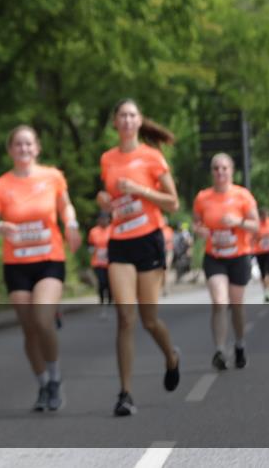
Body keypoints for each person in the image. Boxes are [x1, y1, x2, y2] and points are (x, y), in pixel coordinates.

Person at [0, 125, 82, 412]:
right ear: (10, 150)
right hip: (17, 266)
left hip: (49, 258)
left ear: (37, 148)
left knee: (42, 321)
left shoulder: (52, 177)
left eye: (29, 144)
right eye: (18, 145)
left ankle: (56, 378)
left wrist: (71, 224)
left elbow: (66, 207)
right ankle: (43, 383)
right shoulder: (0, 186)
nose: (24, 149)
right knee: (29, 331)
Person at [96, 99, 181, 417]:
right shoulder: (107, 158)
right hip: (120, 241)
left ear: (140, 120)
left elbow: (172, 203)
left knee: (148, 319)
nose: (128, 120)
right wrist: (103, 200)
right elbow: (108, 198)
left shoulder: (152, 156)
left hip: (149, 240)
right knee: (125, 317)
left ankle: (171, 357)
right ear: (115, 122)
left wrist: (140, 190)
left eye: (133, 115)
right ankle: (125, 393)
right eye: (122, 115)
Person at [193, 153, 260, 370]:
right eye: (215, 168)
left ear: (231, 170)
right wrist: (199, 231)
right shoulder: (203, 197)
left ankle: (240, 344)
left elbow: (256, 225)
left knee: (237, 305)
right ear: (211, 172)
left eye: (224, 168)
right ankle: (220, 350)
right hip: (215, 257)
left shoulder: (243, 196)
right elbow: (196, 224)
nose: (220, 172)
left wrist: (238, 221)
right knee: (220, 302)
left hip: (239, 256)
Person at [252, 208, 269, 303]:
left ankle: (268, 291)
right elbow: (252, 237)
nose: (265, 217)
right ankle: (265, 290)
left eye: (266, 215)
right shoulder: (256, 224)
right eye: (263, 215)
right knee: (262, 272)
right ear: (260, 216)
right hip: (259, 251)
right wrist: (257, 240)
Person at [88, 212, 113, 311]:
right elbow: (90, 244)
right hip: (97, 261)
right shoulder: (93, 231)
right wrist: (91, 249)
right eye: (101, 219)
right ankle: (102, 301)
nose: (103, 221)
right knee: (102, 282)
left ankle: (110, 301)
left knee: (109, 282)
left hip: (110, 261)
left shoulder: (112, 229)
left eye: (105, 219)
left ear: (108, 219)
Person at [161, 221, 175, 296]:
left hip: (169, 251)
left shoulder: (169, 230)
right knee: (162, 271)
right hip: (161, 252)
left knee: (166, 269)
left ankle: (166, 289)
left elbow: (171, 239)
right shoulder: (159, 229)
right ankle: (164, 287)